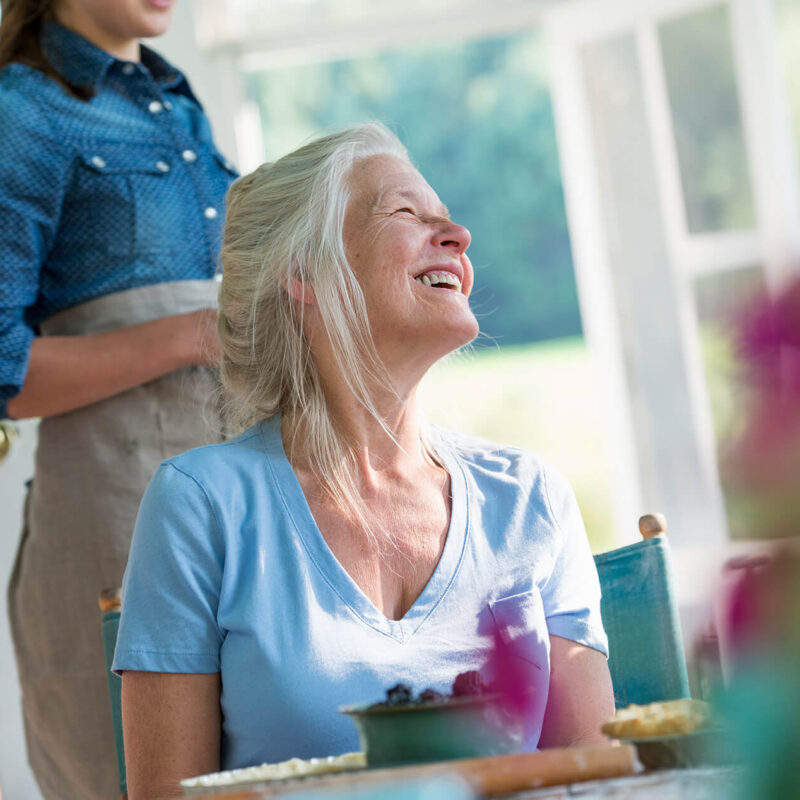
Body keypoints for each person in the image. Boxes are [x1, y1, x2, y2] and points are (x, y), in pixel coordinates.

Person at [113, 123, 615, 799]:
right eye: (407, 212)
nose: (457, 235)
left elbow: (597, 776)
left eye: (444, 214)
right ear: (305, 273)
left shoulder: (530, 499)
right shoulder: (201, 505)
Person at [0, 1, 237, 798]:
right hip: (112, 525)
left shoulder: (176, 101)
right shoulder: (22, 112)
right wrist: (187, 336)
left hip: (230, 504)